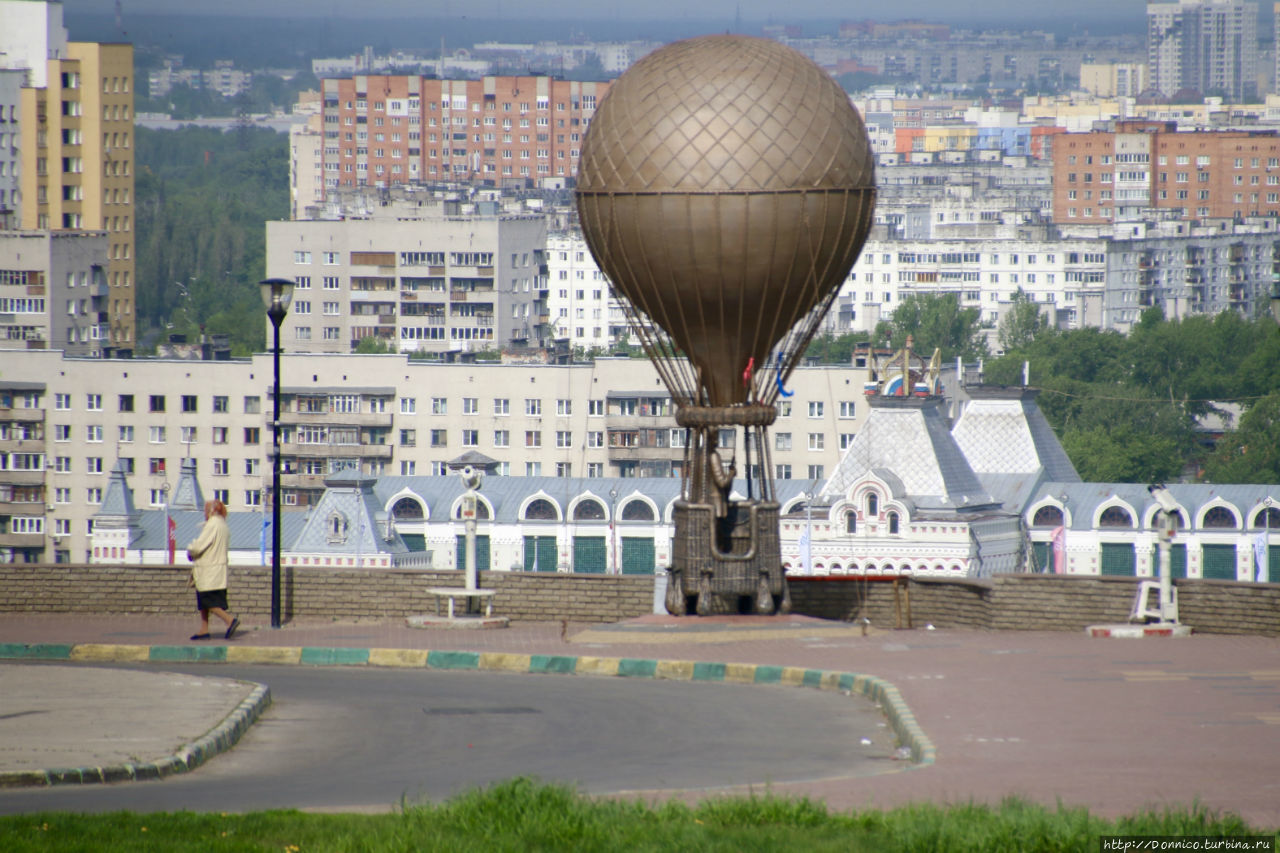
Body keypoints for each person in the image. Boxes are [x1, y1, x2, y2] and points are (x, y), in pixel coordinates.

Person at [186, 498, 240, 641]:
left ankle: (229, 620)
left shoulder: (212, 524)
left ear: (212, 510)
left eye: (206, 509)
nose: (204, 513)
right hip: (217, 569)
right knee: (204, 601)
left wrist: (190, 550)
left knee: (208, 602)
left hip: (208, 569)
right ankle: (204, 630)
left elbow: (199, 546)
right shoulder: (223, 524)